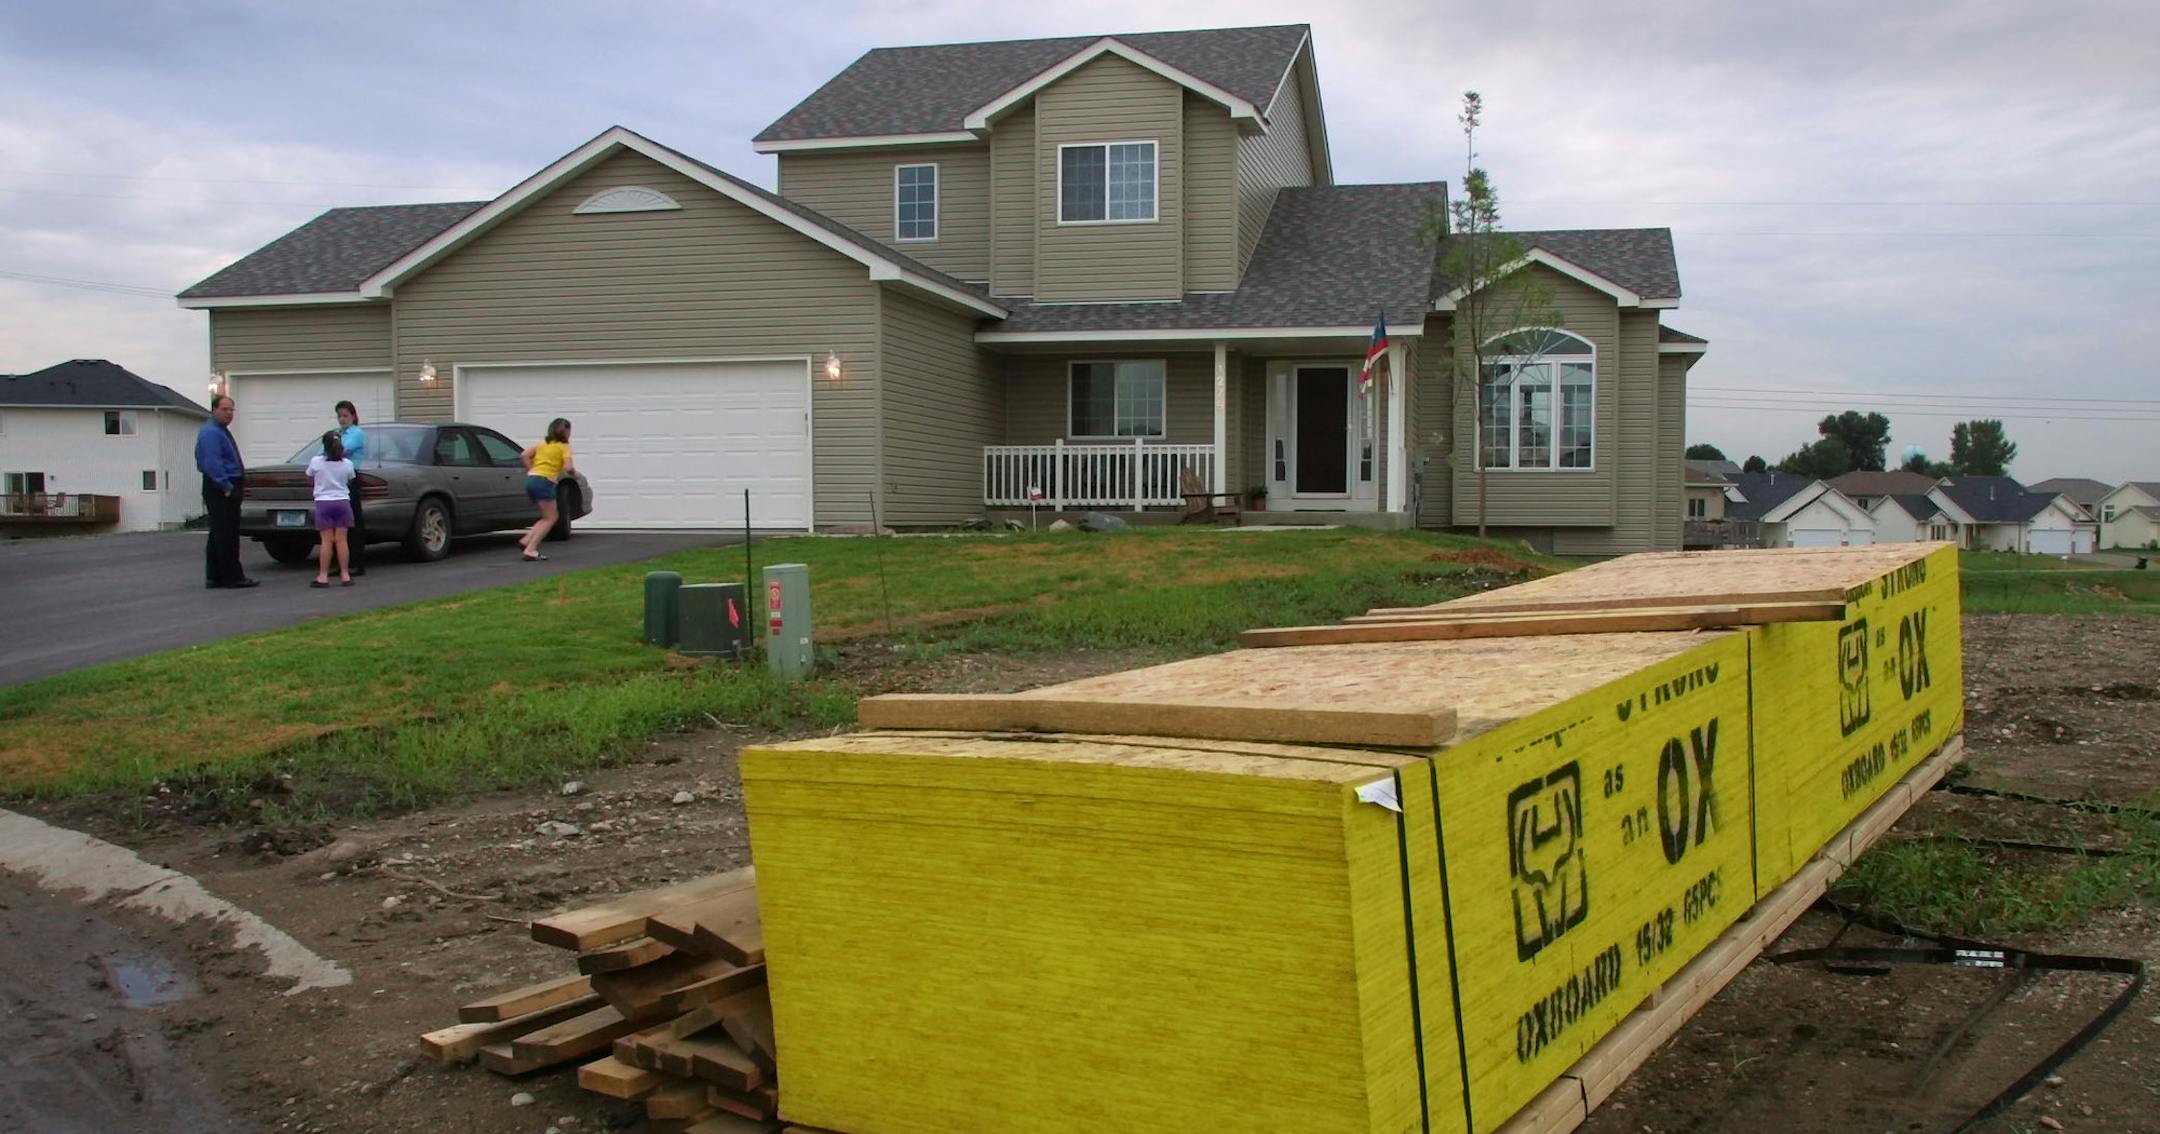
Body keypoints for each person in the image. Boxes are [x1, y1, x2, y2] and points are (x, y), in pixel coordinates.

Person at [193, 395, 258, 589]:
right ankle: (232, 576)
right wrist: (226, 486)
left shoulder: (220, 431)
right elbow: (211, 462)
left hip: (225, 485)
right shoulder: (211, 433)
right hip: (221, 487)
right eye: (224, 409)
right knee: (226, 533)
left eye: (231, 410)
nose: (229, 413)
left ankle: (215, 576)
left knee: (219, 532)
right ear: (214, 409)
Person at [518, 417, 574, 562]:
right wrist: (575, 474)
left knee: (546, 516)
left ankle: (526, 540)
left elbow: (524, 455)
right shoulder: (563, 447)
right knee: (552, 517)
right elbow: (568, 468)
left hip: (532, 480)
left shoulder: (542, 444)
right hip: (544, 482)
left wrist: (532, 470)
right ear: (565, 431)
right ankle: (530, 549)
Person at [306, 430, 357, 588]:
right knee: (342, 540)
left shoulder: (316, 462)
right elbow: (350, 480)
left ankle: (323, 576)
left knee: (326, 541)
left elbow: (309, 476)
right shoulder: (347, 463)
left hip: (324, 503)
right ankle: (345, 574)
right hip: (342, 502)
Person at [334, 400, 368, 576]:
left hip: (351, 478)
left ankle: (357, 562)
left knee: (353, 521)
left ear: (353, 416)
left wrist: (331, 450)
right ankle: (340, 563)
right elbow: (321, 451)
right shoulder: (336, 433)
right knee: (339, 524)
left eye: (345, 415)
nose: (342, 419)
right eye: (339, 416)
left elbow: (342, 451)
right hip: (335, 480)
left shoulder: (356, 433)